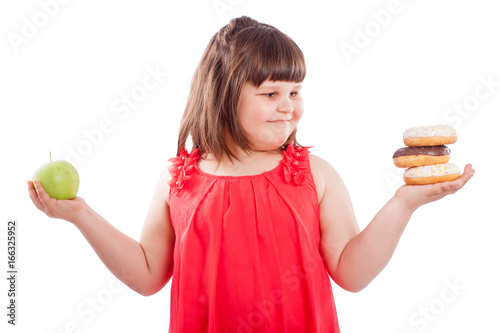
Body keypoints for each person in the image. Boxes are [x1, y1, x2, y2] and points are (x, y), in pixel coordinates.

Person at [28, 16, 474, 332]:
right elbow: (147, 275)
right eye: (270, 92)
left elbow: (352, 273)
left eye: (296, 90)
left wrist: (405, 202)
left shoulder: (314, 174)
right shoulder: (177, 179)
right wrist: (79, 214)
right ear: (223, 95)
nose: (289, 105)